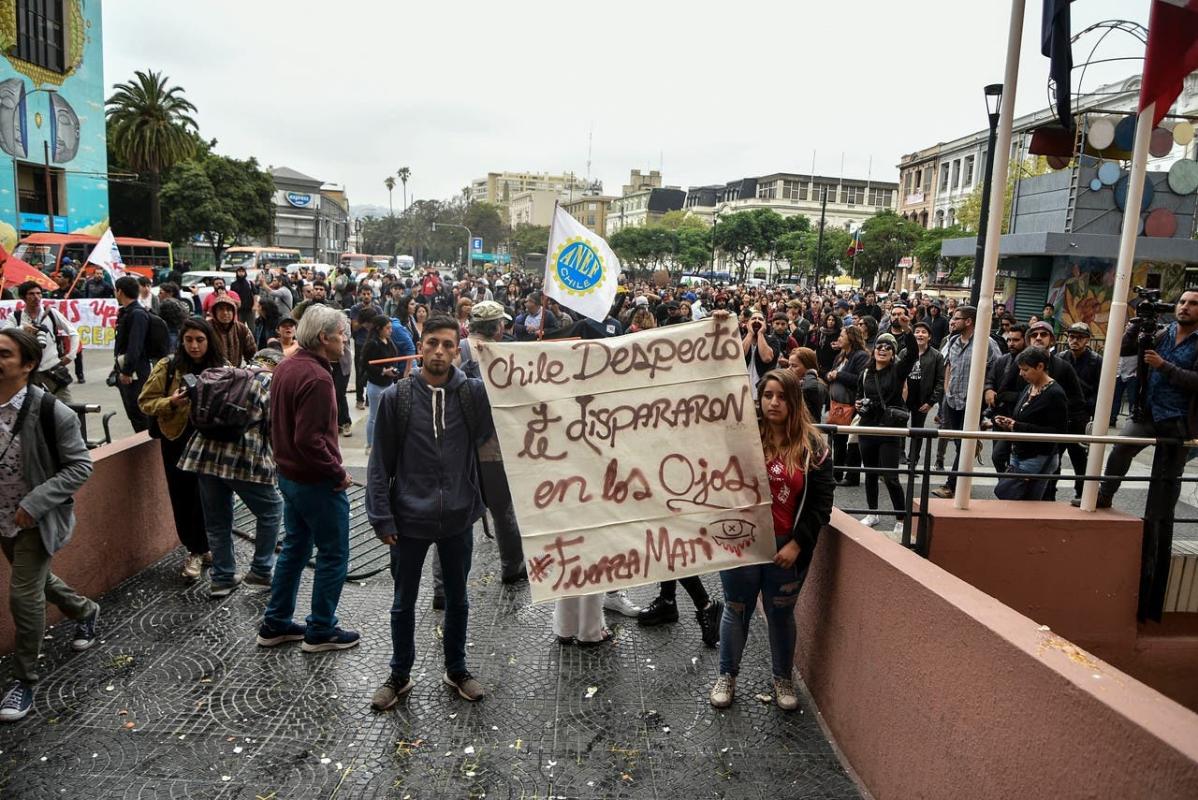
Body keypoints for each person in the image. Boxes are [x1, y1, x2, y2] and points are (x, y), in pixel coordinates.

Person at [365, 314, 494, 710]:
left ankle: (457, 669)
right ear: (420, 346)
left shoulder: (473, 395)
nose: (439, 351)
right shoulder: (397, 398)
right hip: (408, 519)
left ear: (458, 351)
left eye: (448, 345)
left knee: (458, 599)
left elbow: (503, 421)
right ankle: (399, 673)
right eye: (432, 342)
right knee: (403, 602)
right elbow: (379, 463)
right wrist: (381, 516)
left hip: (457, 516)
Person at [709, 368, 835, 711]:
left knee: (780, 613)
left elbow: (821, 504)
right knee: (736, 609)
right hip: (742, 543)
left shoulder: (814, 448)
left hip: (788, 548)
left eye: (781, 396)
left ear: (794, 400)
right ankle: (726, 676)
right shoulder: (742, 437)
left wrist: (798, 544)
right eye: (767, 395)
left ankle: (783, 678)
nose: (773, 403)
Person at [0, 329, 99, 723]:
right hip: (2, 517)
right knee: (37, 580)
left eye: (4, 354)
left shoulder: (50, 411)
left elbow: (80, 466)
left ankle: (24, 680)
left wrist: (35, 502)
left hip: (34, 520)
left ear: (27, 365)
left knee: (23, 595)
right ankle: (85, 611)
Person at [257, 304, 359, 653]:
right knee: (333, 554)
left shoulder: (287, 365)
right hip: (315, 482)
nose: (345, 341)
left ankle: (275, 623)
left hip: (290, 476)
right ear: (323, 337)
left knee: (295, 549)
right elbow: (309, 440)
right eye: (341, 335)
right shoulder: (317, 377)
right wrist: (337, 472)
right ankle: (321, 629)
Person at [1092, 291, 1198, 618]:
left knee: (1166, 487)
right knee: (1121, 448)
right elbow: (1125, 350)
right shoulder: (1162, 332)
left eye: (1193, 303)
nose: (1185, 307)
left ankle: (1157, 545)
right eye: (1182, 302)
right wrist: (1134, 325)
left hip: (1178, 421)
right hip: (1147, 413)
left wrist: (1163, 366)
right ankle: (1105, 493)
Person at [180, 348, 283, 598]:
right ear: (277, 365)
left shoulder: (227, 374)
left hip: (204, 455)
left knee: (217, 521)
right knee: (272, 509)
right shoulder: (268, 382)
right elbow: (274, 427)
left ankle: (222, 578)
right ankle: (261, 570)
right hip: (243, 457)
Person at [138, 317, 223, 580]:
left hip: (212, 442)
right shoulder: (168, 366)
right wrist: (171, 402)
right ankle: (195, 550)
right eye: (189, 340)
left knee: (211, 497)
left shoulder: (221, 367)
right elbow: (145, 401)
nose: (194, 346)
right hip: (176, 440)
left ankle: (207, 546)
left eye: (200, 340)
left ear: (209, 341)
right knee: (184, 496)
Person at [932, 306, 1000, 499]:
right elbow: (948, 366)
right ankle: (965, 470)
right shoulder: (953, 340)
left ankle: (951, 485)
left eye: (956, 318)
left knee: (963, 445)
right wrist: (947, 390)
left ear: (968, 321)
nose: (952, 321)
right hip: (952, 400)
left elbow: (998, 368)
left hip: (972, 403)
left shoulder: (986, 343)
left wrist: (986, 392)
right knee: (958, 442)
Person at [855, 329, 917, 535]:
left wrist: (907, 330)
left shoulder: (897, 371)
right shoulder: (865, 373)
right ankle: (872, 513)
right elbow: (858, 396)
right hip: (867, 428)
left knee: (891, 477)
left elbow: (913, 354)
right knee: (870, 474)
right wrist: (858, 404)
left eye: (888, 347)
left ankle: (900, 518)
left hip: (889, 430)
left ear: (893, 353)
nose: (882, 349)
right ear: (873, 351)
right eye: (879, 346)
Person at [992, 347, 1067, 501]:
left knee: (1026, 503)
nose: (1021, 374)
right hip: (1019, 453)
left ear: (1040, 367)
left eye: (1025, 369)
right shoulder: (1029, 387)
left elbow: (1057, 432)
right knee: (1014, 499)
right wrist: (1009, 423)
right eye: (1020, 369)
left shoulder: (1055, 394)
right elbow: (1023, 417)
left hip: (1038, 456)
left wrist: (1017, 426)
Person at [3, 281, 78, 401]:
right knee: (30, 407)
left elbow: (73, 333)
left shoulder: (51, 313)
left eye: (39, 293)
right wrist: (22, 329)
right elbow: (5, 335)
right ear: (23, 297)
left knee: (66, 406)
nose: (36, 297)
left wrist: (71, 355)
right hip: (27, 372)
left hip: (52, 370)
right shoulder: (16, 317)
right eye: (31, 294)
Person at [827, 325, 869, 487]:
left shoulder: (860, 356)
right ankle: (836, 473)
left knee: (852, 441)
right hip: (837, 405)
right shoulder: (841, 355)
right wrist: (830, 375)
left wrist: (839, 375)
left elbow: (860, 379)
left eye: (842, 335)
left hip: (851, 405)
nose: (839, 338)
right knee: (838, 440)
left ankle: (852, 476)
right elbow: (832, 372)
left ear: (851, 338)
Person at [113, 275, 153, 433]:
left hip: (136, 373)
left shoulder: (137, 314)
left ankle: (147, 444)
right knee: (133, 412)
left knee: (139, 413)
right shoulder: (126, 312)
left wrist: (127, 371)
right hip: (128, 371)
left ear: (120, 291)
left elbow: (135, 345)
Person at [904, 321, 944, 464]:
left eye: (923, 332)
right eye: (917, 332)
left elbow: (940, 380)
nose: (920, 335)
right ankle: (899, 455)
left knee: (918, 431)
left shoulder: (937, 356)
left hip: (923, 399)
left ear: (929, 336)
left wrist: (931, 401)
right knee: (900, 427)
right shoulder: (905, 352)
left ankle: (913, 460)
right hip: (904, 397)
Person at [361, 314, 400, 454]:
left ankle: (385, 442)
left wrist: (392, 370)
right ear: (379, 328)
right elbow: (365, 364)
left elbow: (393, 359)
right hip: (376, 385)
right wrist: (383, 371)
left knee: (389, 415)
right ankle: (370, 444)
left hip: (389, 383)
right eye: (387, 328)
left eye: (391, 328)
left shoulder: (389, 341)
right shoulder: (373, 343)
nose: (390, 331)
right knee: (374, 416)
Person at [209, 295, 257, 367]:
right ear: (215, 312)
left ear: (234, 312)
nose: (225, 313)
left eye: (228, 309)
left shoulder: (241, 329)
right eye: (221, 309)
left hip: (236, 371)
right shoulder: (207, 328)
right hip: (211, 371)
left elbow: (251, 353)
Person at [791, 347, 827, 421]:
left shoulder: (817, 385)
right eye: (789, 365)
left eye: (794, 366)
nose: (789, 369)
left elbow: (809, 388)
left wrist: (811, 373)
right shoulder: (797, 383)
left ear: (808, 366)